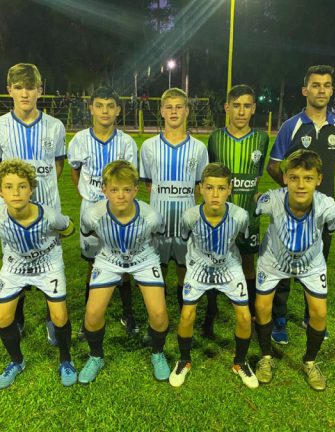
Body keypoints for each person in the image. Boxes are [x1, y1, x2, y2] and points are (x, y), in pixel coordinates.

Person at [266, 65, 335, 344]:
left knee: (317, 263)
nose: (321, 90)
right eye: (315, 85)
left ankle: (310, 317)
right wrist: (292, 190)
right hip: (291, 212)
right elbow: (273, 165)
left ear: (332, 90)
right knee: (283, 265)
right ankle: (279, 319)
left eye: (326, 85)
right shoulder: (292, 126)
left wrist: (318, 192)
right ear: (305, 90)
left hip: (321, 214)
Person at [253, 150, 335, 391]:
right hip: (273, 262)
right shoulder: (272, 200)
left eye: (308, 178)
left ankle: (309, 362)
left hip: (310, 264)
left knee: (319, 314)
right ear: (285, 178)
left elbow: (330, 229)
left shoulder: (329, 207)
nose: (301, 185)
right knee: (261, 307)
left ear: (319, 179)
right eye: (294, 178)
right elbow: (257, 201)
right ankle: (266, 357)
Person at [78, 160, 170, 384]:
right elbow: (90, 233)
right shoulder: (92, 214)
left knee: (159, 314)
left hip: (143, 258)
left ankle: (157, 353)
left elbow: (157, 235)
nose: (121, 195)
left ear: (136, 190)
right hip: (109, 257)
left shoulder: (151, 216)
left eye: (127, 189)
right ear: (104, 190)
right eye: (114, 190)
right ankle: (96, 356)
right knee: (92, 315)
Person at [169, 163, 257, 389]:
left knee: (245, 317)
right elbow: (185, 239)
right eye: (209, 188)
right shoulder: (189, 216)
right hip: (198, 267)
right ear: (200, 189)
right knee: (187, 315)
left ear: (230, 189)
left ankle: (240, 362)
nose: (215, 194)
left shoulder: (240, 216)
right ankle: (184, 360)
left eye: (221, 188)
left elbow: (241, 240)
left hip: (229, 266)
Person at [0, 63, 66, 345]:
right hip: (12, 212)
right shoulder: (1, 126)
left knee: (51, 263)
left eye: (30, 87)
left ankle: (53, 319)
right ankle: (18, 317)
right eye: (19, 88)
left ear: (40, 90)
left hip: (48, 209)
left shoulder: (55, 126)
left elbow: (58, 165)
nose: (25, 93)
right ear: (9, 90)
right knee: (15, 262)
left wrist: (41, 194)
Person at [68, 86, 139, 337]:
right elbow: (75, 171)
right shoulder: (79, 140)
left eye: (110, 106)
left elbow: (131, 177)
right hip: (91, 210)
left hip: (120, 210)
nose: (105, 111)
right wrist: (87, 196)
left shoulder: (126, 142)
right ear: (91, 109)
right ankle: (90, 317)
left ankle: (127, 314)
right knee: (92, 264)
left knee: (123, 262)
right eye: (99, 106)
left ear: (118, 110)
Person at [0, 160, 76, 389]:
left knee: (59, 317)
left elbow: (69, 228)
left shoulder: (49, 215)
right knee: (2, 318)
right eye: (9, 186)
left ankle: (66, 360)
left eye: (22, 186)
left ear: (31, 190)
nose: (16, 192)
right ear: (1, 191)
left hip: (48, 265)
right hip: (15, 266)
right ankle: (17, 362)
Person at [206, 84, 269, 338]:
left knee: (248, 263)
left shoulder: (261, 139)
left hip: (249, 216)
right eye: (236, 106)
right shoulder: (215, 138)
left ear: (253, 109)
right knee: (214, 261)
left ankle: (250, 312)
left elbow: (256, 177)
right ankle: (211, 313)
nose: (241, 111)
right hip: (219, 216)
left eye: (247, 106)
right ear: (227, 108)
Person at [139, 88, 208, 315]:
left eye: (179, 107)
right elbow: (149, 184)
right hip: (158, 221)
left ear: (187, 111)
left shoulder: (199, 148)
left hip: (185, 222)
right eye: (169, 107)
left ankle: (182, 307)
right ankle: (157, 310)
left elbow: (199, 187)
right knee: (157, 267)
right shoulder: (149, 146)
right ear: (161, 111)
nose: (174, 112)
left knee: (183, 267)